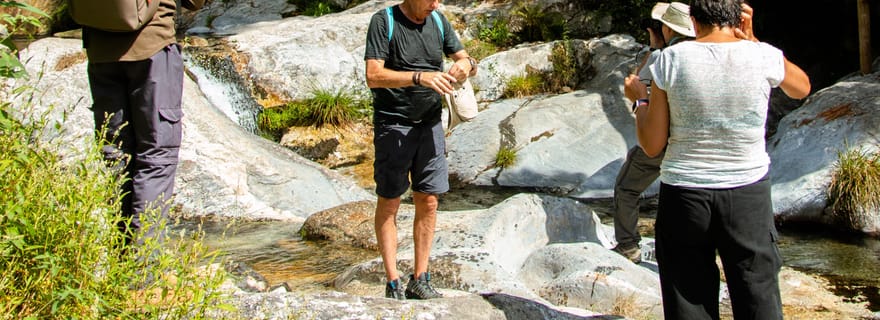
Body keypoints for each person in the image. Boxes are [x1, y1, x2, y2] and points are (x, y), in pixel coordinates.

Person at [628, 1, 810, 318]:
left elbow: (653, 145)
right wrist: (753, 40)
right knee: (757, 293)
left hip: (685, 193)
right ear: (738, 19)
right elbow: (801, 88)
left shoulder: (671, 59)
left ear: (693, 23)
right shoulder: (762, 54)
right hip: (748, 193)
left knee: (689, 298)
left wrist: (640, 101)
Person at [363, 0, 477, 300]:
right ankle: (392, 282)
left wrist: (466, 65)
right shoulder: (384, 21)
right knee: (390, 202)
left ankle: (420, 278)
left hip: (430, 125)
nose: (435, 4)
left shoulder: (438, 21)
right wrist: (419, 76)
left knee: (428, 201)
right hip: (393, 125)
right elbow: (373, 75)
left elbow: (466, 58)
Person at [84, 0, 204, 247]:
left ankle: (121, 263)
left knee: (117, 156)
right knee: (156, 158)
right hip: (152, 49)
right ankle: (144, 273)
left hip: (100, 52)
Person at [612, 2, 695, 264]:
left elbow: (637, 88)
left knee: (626, 187)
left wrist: (654, 47)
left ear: (667, 29)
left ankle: (628, 246)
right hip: (692, 143)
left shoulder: (663, 58)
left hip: (662, 141)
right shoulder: (704, 52)